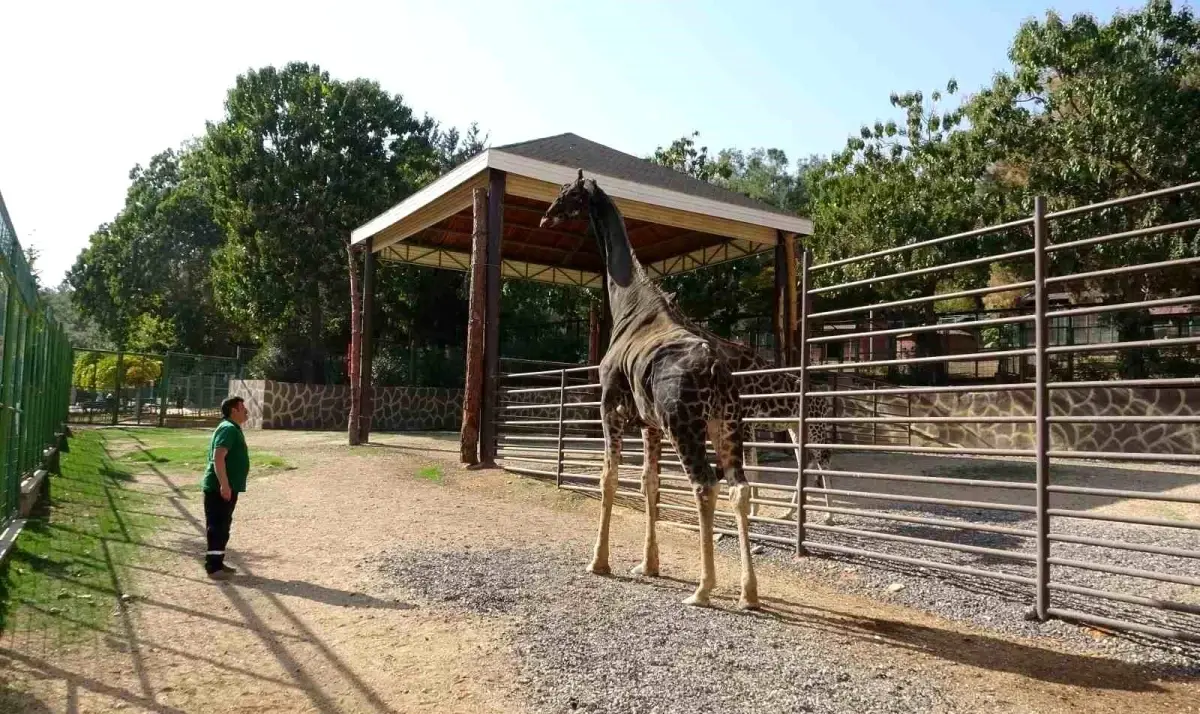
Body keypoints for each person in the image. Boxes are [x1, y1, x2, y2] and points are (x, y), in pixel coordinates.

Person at [202, 396, 250, 580]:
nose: (246, 411)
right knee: (217, 525)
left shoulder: (232, 428)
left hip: (227, 486)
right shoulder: (228, 428)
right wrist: (224, 484)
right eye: (242, 407)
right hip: (219, 487)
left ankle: (218, 562)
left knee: (223, 524)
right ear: (234, 410)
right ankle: (213, 568)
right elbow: (219, 456)